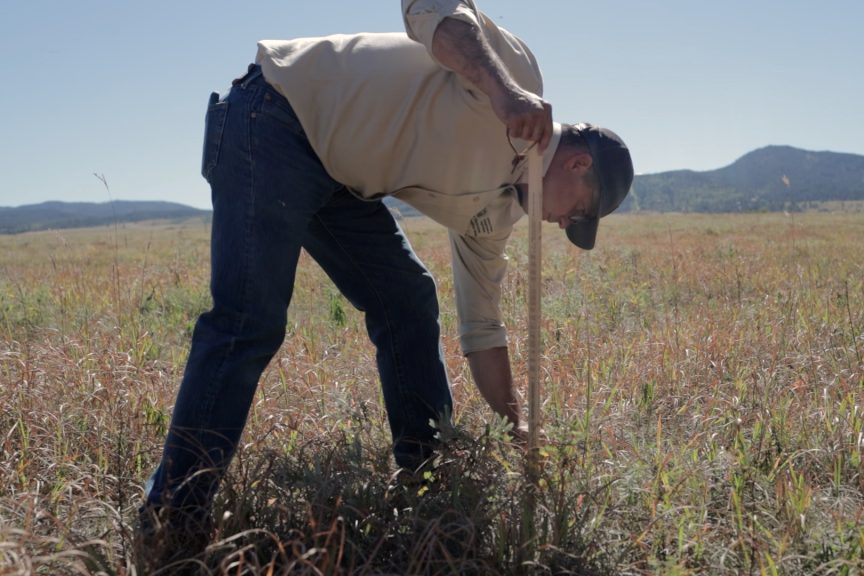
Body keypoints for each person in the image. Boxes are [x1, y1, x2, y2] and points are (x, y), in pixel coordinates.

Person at [138, 0, 633, 558]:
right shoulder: (517, 74)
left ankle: (426, 484)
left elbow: (482, 328)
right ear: (578, 164)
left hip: (337, 178)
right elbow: (429, 7)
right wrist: (502, 90)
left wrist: (514, 423)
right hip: (273, 116)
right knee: (248, 321)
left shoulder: (496, 215)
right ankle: (171, 520)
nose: (565, 224)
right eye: (579, 212)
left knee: (408, 300)